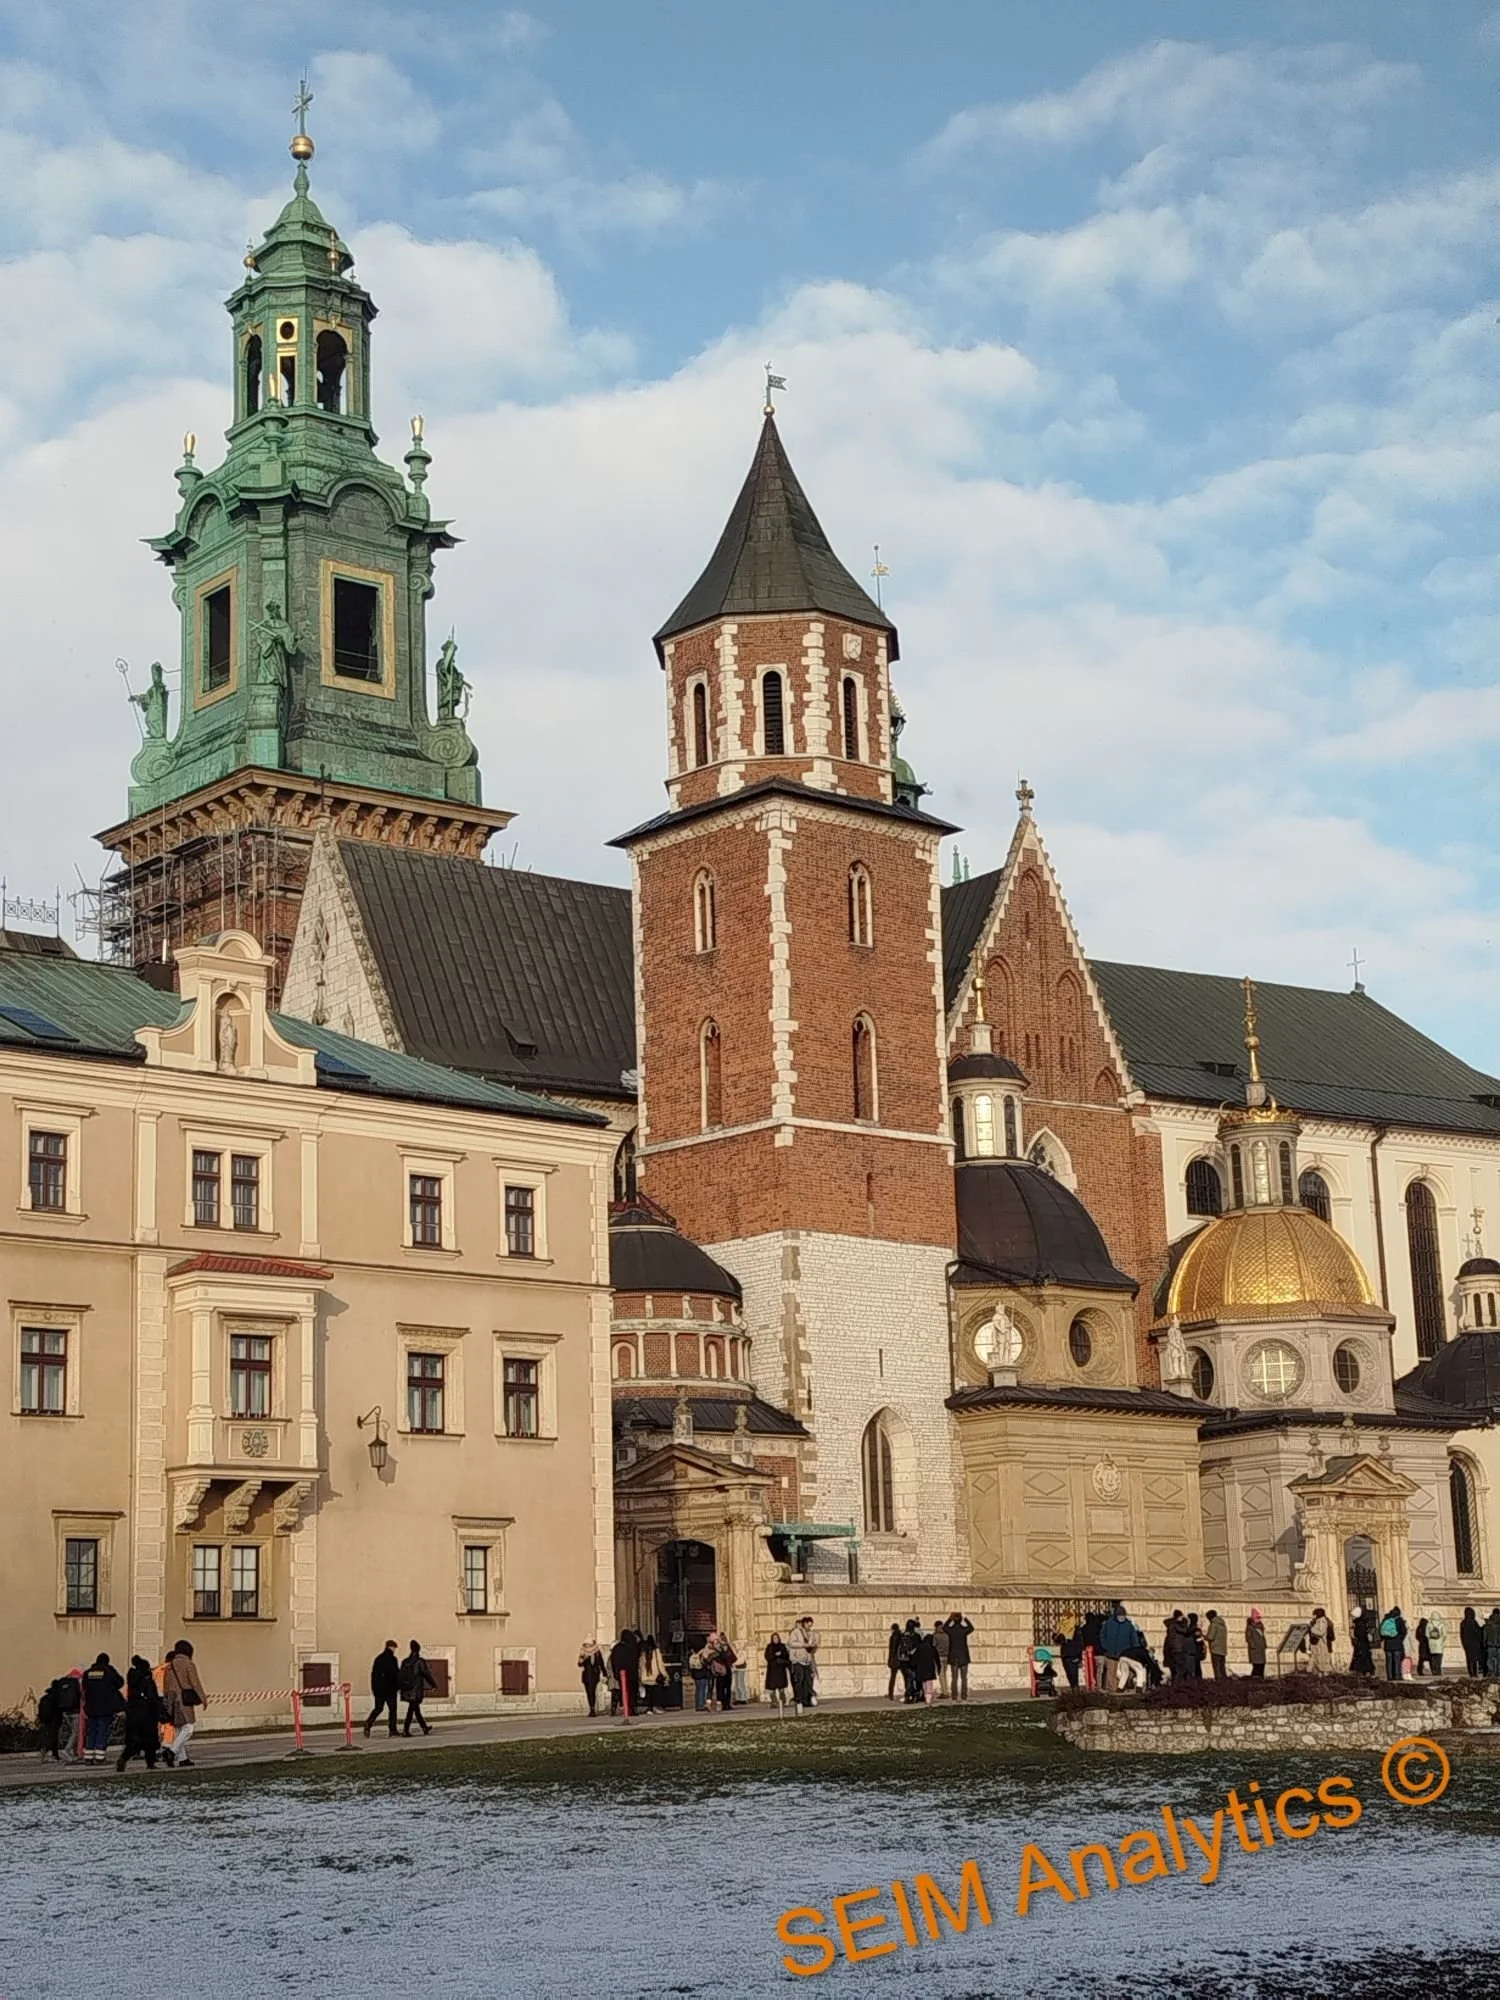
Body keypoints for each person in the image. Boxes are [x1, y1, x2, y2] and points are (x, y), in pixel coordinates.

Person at [159, 1641, 206, 1767]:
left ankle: (182, 1758)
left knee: (179, 1728)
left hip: (172, 1700)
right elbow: (195, 1683)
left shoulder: (169, 1666)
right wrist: (203, 1698)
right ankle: (172, 1751)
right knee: (189, 1727)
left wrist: (168, 1702)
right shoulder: (188, 1664)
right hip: (184, 1700)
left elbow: (166, 1686)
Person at [116, 1657, 163, 1773]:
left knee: (134, 1740)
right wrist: (160, 1708)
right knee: (150, 1740)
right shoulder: (147, 1680)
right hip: (147, 1713)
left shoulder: (132, 1680)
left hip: (133, 1712)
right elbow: (152, 1697)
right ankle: (150, 1763)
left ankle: (124, 1758)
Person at [80, 1653, 124, 1765]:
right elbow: (120, 1682)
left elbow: (84, 1686)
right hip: (105, 1706)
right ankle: (99, 1757)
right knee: (102, 1730)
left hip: (91, 1707)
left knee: (92, 1731)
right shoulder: (109, 1671)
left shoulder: (88, 1673)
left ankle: (88, 1757)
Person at [399, 1640, 437, 1734]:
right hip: (416, 1689)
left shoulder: (405, 1661)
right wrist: (433, 1684)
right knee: (412, 1709)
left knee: (415, 1709)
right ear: (418, 1650)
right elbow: (426, 1674)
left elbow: (400, 1675)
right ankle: (406, 1730)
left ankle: (424, 1727)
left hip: (407, 1688)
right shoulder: (419, 1661)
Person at [365, 1640, 401, 1738]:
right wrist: (398, 1686)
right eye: (394, 1648)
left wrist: (374, 1688)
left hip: (379, 1690)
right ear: (391, 1647)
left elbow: (374, 1675)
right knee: (392, 1710)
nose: (394, 1650)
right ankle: (392, 1730)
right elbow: (395, 1674)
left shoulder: (378, 1659)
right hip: (390, 1689)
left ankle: (368, 1724)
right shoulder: (393, 1660)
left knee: (378, 1708)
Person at [1099, 1602, 1136, 1691]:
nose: (1122, 1618)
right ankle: (1112, 1688)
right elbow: (1102, 1635)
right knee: (1111, 1671)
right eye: (1120, 1616)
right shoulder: (1109, 1623)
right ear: (1116, 1616)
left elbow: (1134, 1638)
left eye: (1123, 1616)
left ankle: (1122, 1687)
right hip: (1111, 1652)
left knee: (1124, 1671)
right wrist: (1105, 1646)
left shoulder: (1128, 1625)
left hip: (1124, 1653)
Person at [609, 1628, 642, 1721]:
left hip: (621, 1673)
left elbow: (613, 1661)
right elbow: (636, 1659)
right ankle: (632, 1708)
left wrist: (615, 1672)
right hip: (632, 1673)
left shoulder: (617, 1648)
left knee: (624, 1691)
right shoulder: (632, 1647)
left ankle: (626, 1708)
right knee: (632, 1692)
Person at [787, 1616, 819, 1712]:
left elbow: (812, 1647)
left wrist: (813, 1646)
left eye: (811, 1625)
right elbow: (791, 1643)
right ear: (804, 1623)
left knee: (808, 1681)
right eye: (808, 1625)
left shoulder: (811, 1633)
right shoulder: (796, 1632)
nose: (810, 1627)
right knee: (799, 1681)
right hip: (798, 1660)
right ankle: (799, 1700)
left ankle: (807, 1700)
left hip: (807, 1660)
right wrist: (804, 1645)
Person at [945, 1612, 974, 1701]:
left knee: (954, 1678)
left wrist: (950, 1618)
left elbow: (945, 1627)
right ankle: (964, 1695)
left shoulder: (951, 1630)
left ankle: (954, 1696)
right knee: (964, 1678)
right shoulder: (963, 1630)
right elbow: (971, 1628)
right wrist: (966, 1619)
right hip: (963, 1656)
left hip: (953, 1656)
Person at [637, 1634, 668, 1713]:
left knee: (648, 1693)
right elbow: (660, 1664)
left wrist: (640, 1675)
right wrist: (665, 1674)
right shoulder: (656, 1651)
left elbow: (640, 1665)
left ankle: (649, 1708)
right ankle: (656, 1707)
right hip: (654, 1676)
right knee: (656, 1693)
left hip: (645, 1677)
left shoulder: (644, 1652)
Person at [1163, 1613, 1197, 1685]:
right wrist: (1194, 1627)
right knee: (1181, 1668)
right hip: (1178, 1650)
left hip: (1175, 1650)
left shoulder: (1172, 1627)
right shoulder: (1175, 1626)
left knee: (1178, 1669)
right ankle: (1177, 1684)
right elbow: (1186, 1631)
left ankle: (1177, 1684)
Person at [578, 1639, 607, 1717]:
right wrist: (582, 1658)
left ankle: (592, 1709)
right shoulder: (583, 1652)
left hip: (594, 1674)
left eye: (588, 1644)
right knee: (588, 1692)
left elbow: (601, 1663)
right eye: (586, 1644)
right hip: (586, 1675)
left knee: (592, 1691)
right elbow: (579, 1664)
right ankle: (591, 1708)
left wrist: (604, 1674)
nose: (587, 1646)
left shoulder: (596, 1652)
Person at [764, 1633, 793, 1712]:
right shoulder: (769, 1646)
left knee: (781, 1687)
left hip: (780, 1669)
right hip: (772, 1670)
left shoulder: (782, 1646)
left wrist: (782, 1655)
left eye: (776, 1638)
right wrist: (775, 1654)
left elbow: (786, 1656)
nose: (775, 1639)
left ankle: (782, 1701)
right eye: (774, 1638)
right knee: (772, 1687)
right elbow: (767, 1656)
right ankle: (774, 1702)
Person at [912, 1624, 940, 1704]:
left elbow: (915, 1658)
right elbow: (937, 1659)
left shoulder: (919, 1647)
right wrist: (939, 1668)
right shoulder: (932, 1648)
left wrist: (913, 1666)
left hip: (921, 1669)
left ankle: (925, 1696)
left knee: (924, 1683)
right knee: (929, 1683)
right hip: (930, 1669)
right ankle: (928, 1698)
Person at [1379, 1607, 1408, 1681]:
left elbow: (1381, 1631)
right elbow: (1404, 1631)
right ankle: (1397, 1676)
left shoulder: (1385, 1619)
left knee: (1389, 1661)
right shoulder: (1399, 1620)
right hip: (1397, 1644)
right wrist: (1400, 1639)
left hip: (1387, 1644)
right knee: (1397, 1660)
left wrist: (1385, 1638)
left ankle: (1389, 1676)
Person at [1058, 1619, 1085, 1691]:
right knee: (1069, 1674)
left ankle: (1075, 1689)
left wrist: (1079, 1657)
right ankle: (1073, 1688)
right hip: (1065, 1655)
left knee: (1074, 1675)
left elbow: (1080, 1643)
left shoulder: (1076, 1630)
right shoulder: (1062, 1630)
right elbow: (1058, 1641)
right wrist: (1056, 1633)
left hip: (1073, 1655)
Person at [1307, 1606, 1334, 1673]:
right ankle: (1316, 1673)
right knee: (1317, 1658)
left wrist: (1311, 1629)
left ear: (1317, 1614)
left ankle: (1324, 1674)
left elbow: (1321, 1632)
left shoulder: (1322, 1621)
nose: (1312, 1616)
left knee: (1321, 1659)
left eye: (1314, 1614)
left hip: (1320, 1643)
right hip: (1317, 1643)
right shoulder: (1318, 1621)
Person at [1460, 1606, 1484, 1677]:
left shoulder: (1463, 1623)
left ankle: (1471, 1673)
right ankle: (1474, 1673)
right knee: (1474, 1659)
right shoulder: (1473, 1622)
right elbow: (1478, 1633)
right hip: (1474, 1644)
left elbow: (1462, 1634)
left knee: (1469, 1659)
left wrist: (1464, 1644)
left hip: (1467, 1644)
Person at [1206, 1609, 1229, 1680]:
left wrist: (1204, 1636)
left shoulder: (1213, 1624)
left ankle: (1218, 1681)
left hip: (1215, 1649)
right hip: (1223, 1649)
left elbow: (1210, 1637)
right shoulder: (1222, 1624)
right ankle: (1224, 1680)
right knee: (1222, 1667)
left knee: (1216, 1667)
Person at [1244, 1608, 1267, 1679]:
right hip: (1255, 1649)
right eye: (1257, 1618)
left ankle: (1261, 1677)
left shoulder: (1261, 1626)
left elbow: (1263, 1637)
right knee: (1256, 1665)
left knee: (1262, 1665)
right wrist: (1252, 1645)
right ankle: (1255, 1679)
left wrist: (1264, 1645)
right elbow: (1248, 1638)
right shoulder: (1250, 1627)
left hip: (1261, 1649)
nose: (1259, 1619)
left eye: (1259, 1618)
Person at [932, 1616, 951, 1698]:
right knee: (945, 1674)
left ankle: (944, 1692)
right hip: (946, 1656)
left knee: (941, 1674)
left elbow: (933, 1646)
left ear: (936, 1627)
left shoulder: (935, 1635)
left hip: (939, 1656)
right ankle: (947, 1690)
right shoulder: (947, 1635)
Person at [885, 1623, 903, 1702]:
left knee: (893, 1677)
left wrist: (890, 1660)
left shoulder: (893, 1637)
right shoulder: (901, 1636)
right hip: (902, 1658)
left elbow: (892, 1650)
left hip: (894, 1659)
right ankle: (908, 1693)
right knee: (905, 1676)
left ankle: (890, 1694)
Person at [1425, 1609, 1446, 1676]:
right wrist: (1441, 1640)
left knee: (1433, 1658)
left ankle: (1434, 1671)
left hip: (1431, 1644)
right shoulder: (1441, 1624)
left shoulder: (1429, 1624)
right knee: (1439, 1658)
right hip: (1439, 1644)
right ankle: (1438, 1671)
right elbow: (1445, 1635)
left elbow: (1426, 1634)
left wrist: (1431, 1639)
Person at [1484, 1607, 1500, 1678]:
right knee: (1499, 1659)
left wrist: (1484, 1643)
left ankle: (1491, 1672)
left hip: (1490, 1645)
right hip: (1499, 1645)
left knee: (1490, 1659)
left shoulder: (1488, 1624)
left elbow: (1485, 1634)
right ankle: (1498, 1672)